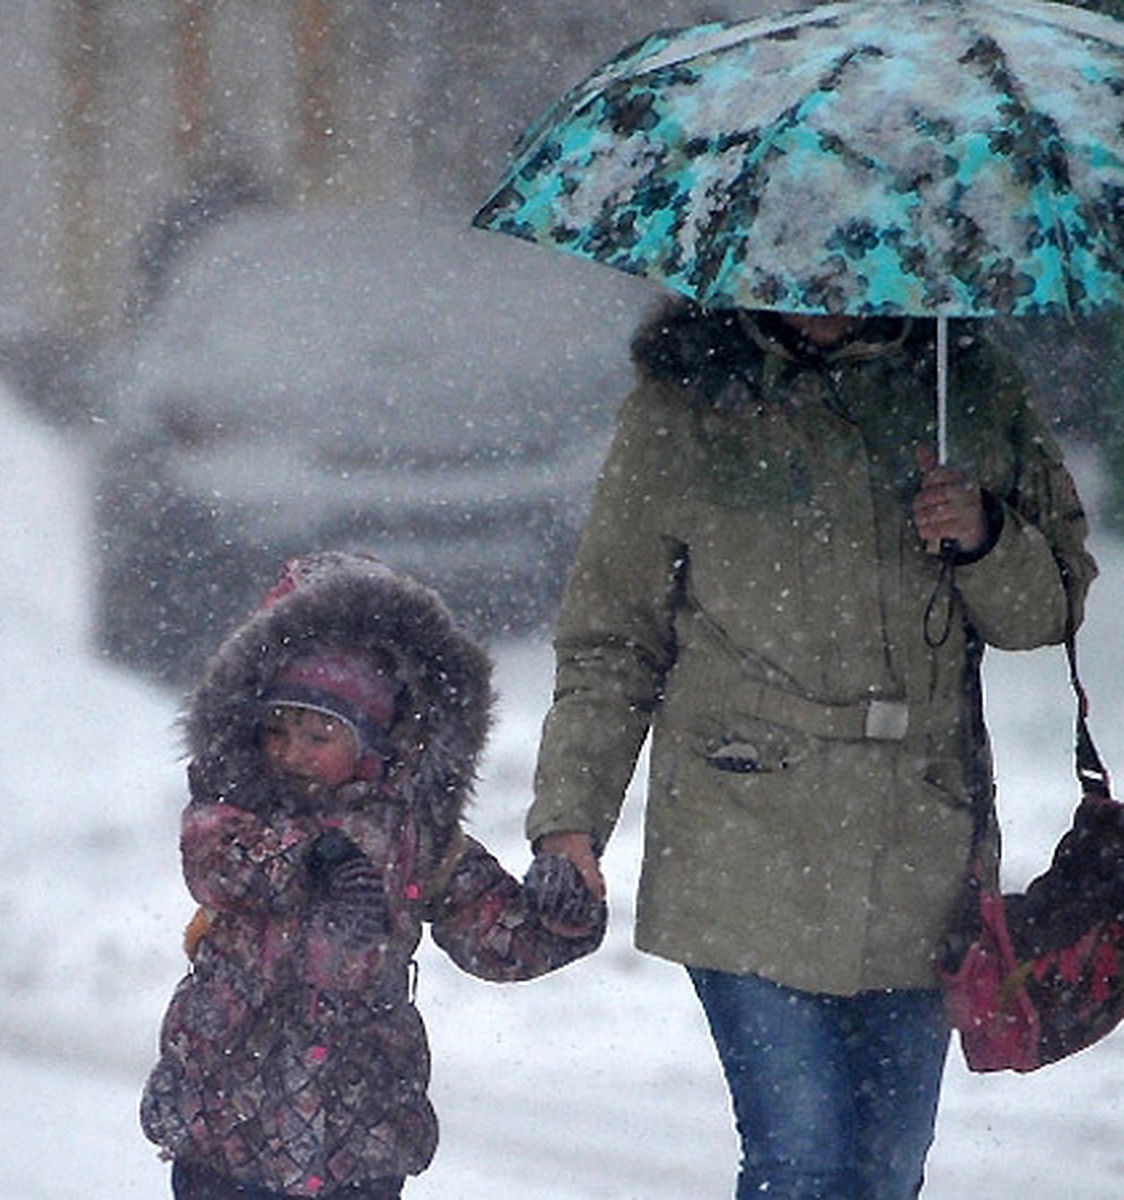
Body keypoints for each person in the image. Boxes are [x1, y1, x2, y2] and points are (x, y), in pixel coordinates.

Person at [524, 301, 1097, 1199]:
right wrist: (570, 823)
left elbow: (1049, 610)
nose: (825, 292)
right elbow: (612, 639)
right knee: (800, 1158)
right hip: (743, 839)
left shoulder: (967, 386)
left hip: (923, 848)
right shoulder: (687, 404)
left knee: (885, 1169)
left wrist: (985, 535)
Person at [141, 550, 603, 1200]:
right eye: (278, 730)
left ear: (373, 741)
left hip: (357, 1126)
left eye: (318, 736)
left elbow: (492, 936)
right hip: (230, 1113)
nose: (291, 752)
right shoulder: (234, 806)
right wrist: (309, 857)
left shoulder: (413, 835)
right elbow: (218, 866)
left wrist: (561, 913)